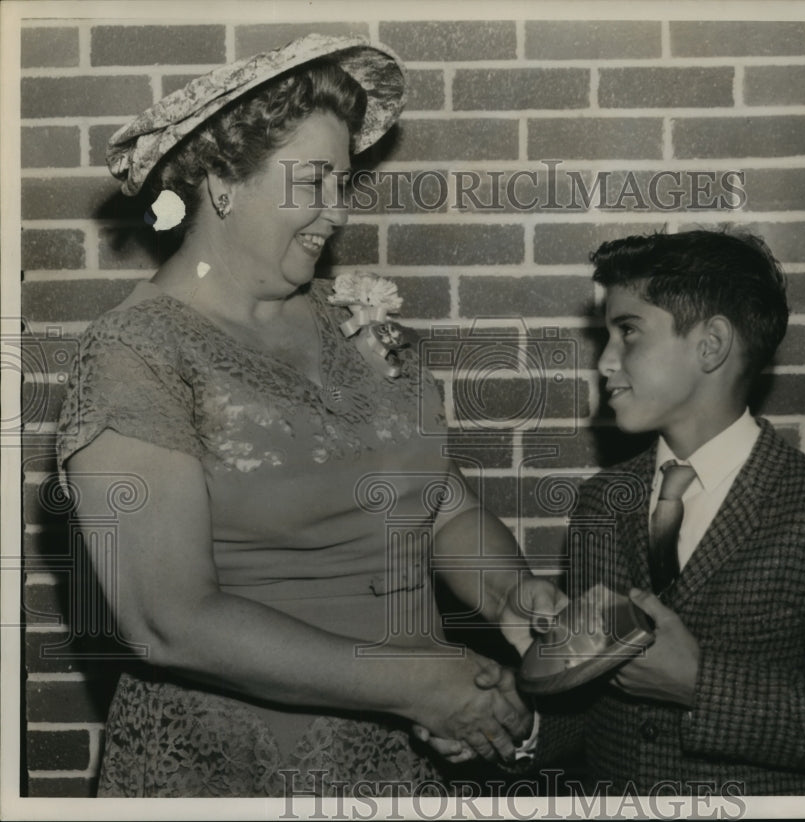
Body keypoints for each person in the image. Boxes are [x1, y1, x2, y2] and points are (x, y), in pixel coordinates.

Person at [55, 34, 563, 798]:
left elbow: (439, 508)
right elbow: (169, 620)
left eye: (345, 184)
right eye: (314, 182)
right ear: (224, 181)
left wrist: (514, 601)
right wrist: (419, 684)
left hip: (406, 757)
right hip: (235, 772)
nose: (338, 211)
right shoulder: (137, 351)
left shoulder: (357, 320)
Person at [427, 228, 805, 795]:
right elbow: (598, 709)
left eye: (628, 332)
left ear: (711, 344)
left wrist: (698, 684)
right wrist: (519, 726)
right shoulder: (600, 506)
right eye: (605, 336)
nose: (605, 361)